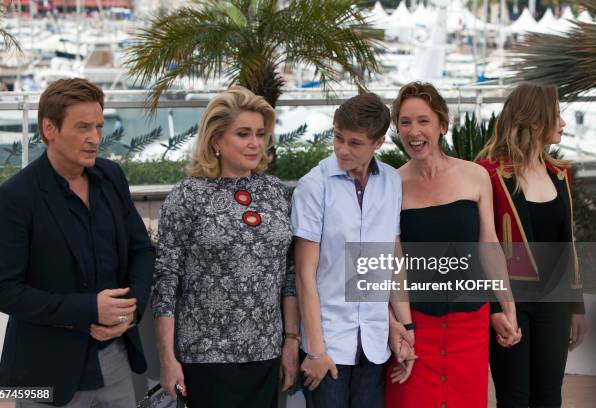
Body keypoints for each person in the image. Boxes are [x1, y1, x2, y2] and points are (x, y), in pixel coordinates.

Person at [0, 78, 154, 407]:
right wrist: (90, 309)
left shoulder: (112, 177)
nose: (95, 139)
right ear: (50, 128)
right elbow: (1, 290)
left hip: (116, 361)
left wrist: (128, 311)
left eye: (99, 127)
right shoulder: (15, 197)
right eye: (82, 127)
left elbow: (142, 250)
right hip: (44, 372)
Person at [152, 86, 299, 408]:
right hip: (206, 357)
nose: (255, 143)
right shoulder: (187, 196)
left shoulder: (275, 192)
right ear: (216, 140)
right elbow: (165, 283)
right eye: (243, 133)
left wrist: (291, 342)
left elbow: (290, 274)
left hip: (266, 353)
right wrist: (167, 358)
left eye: (261, 134)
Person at [385, 82, 520, 408]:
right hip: (415, 324)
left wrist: (505, 307)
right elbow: (393, 259)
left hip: (469, 324)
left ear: (442, 125)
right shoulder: (390, 184)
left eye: (423, 121)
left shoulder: (475, 176)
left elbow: (488, 244)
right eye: (405, 122)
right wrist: (401, 324)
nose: (413, 131)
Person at [292, 92, 414, 408]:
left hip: (374, 343)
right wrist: (316, 351)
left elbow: (391, 256)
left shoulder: (390, 181)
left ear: (379, 142)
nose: (342, 149)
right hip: (328, 345)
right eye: (338, 137)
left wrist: (404, 324)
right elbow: (305, 274)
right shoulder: (313, 185)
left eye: (355, 143)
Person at [477, 82, 587, 408]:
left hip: (554, 302)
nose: (563, 124)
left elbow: (567, 244)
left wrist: (576, 305)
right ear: (536, 122)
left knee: (549, 396)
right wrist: (495, 309)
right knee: (514, 398)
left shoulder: (560, 174)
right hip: (511, 301)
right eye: (557, 116)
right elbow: (480, 245)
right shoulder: (489, 173)